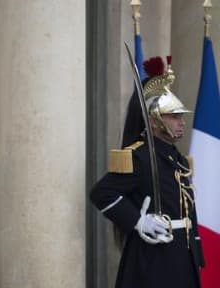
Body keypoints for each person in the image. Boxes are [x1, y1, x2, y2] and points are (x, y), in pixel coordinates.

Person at [90, 56, 204, 288]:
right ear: (154, 121)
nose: (181, 122)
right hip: (153, 260)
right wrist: (139, 221)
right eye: (174, 116)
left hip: (182, 256)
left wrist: (197, 248)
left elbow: (188, 208)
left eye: (181, 115)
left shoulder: (177, 157)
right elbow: (101, 193)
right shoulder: (139, 156)